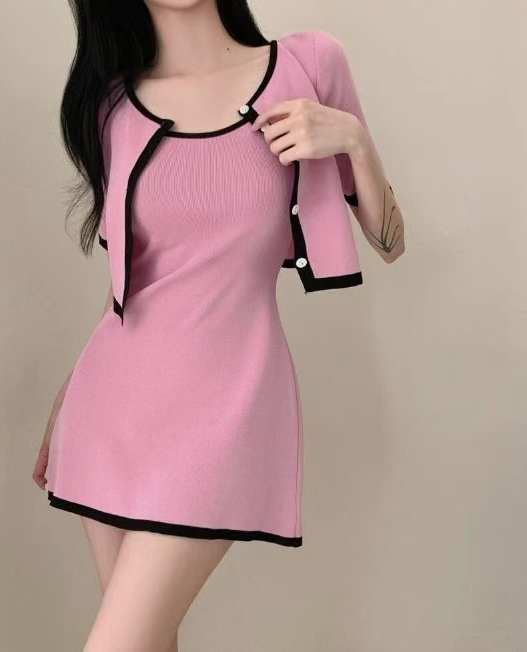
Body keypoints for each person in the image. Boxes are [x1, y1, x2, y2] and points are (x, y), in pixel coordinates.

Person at [32, 1, 405, 649]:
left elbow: (390, 242)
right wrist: (67, 402)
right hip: (110, 412)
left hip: (228, 408)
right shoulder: (112, 107)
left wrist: (352, 140)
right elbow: (132, 284)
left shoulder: (309, 65)